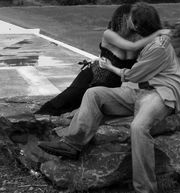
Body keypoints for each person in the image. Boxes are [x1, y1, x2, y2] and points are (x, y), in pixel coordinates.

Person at [38, 2, 180, 193]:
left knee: (138, 128)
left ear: (139, 23)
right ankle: (73, 143)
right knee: (94, 93)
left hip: (160, 93)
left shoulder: (159, 47)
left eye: (132, 18)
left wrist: (109, 67)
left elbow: (133, 74)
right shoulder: (145, 40)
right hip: (138, 92)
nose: (128, 21)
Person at [35, 4, 171, 116]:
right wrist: (157, 33)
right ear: (122, 19)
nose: (135, 20)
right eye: (132, 17)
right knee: (65, 100)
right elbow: (131, 47)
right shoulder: (109, 34)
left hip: (111, 83)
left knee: (84, 108)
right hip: (93, 76)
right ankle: (38, 118)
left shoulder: (141, 39)